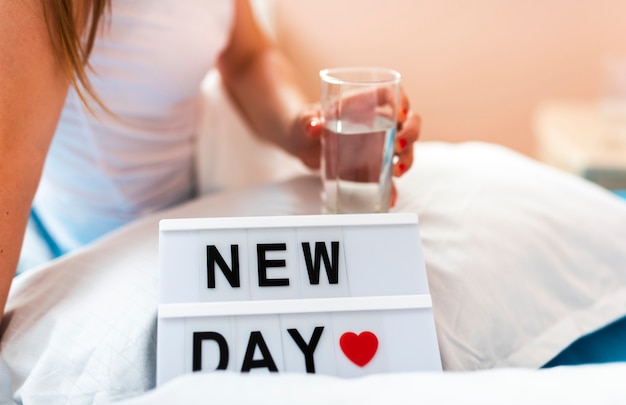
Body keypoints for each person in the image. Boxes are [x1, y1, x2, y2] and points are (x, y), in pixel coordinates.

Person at [0, 0, 421, 321]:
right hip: (83, 250)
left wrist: (302, 127)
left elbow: (247, 55)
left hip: (184, 220)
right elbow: (9, 161)